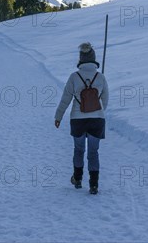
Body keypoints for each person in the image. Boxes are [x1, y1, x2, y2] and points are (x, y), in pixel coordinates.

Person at [55, 42, 109, 194]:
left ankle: (77, 179)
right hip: (97, 120)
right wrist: (98, 111)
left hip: (78, 120)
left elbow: (65, 99)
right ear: (93, 59)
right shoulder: (100, 77)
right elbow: (105, 99)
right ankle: (94, 184)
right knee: (93, 152)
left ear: (81, 59)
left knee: (79, 150)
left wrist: (58, 116)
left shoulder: (74, 77)